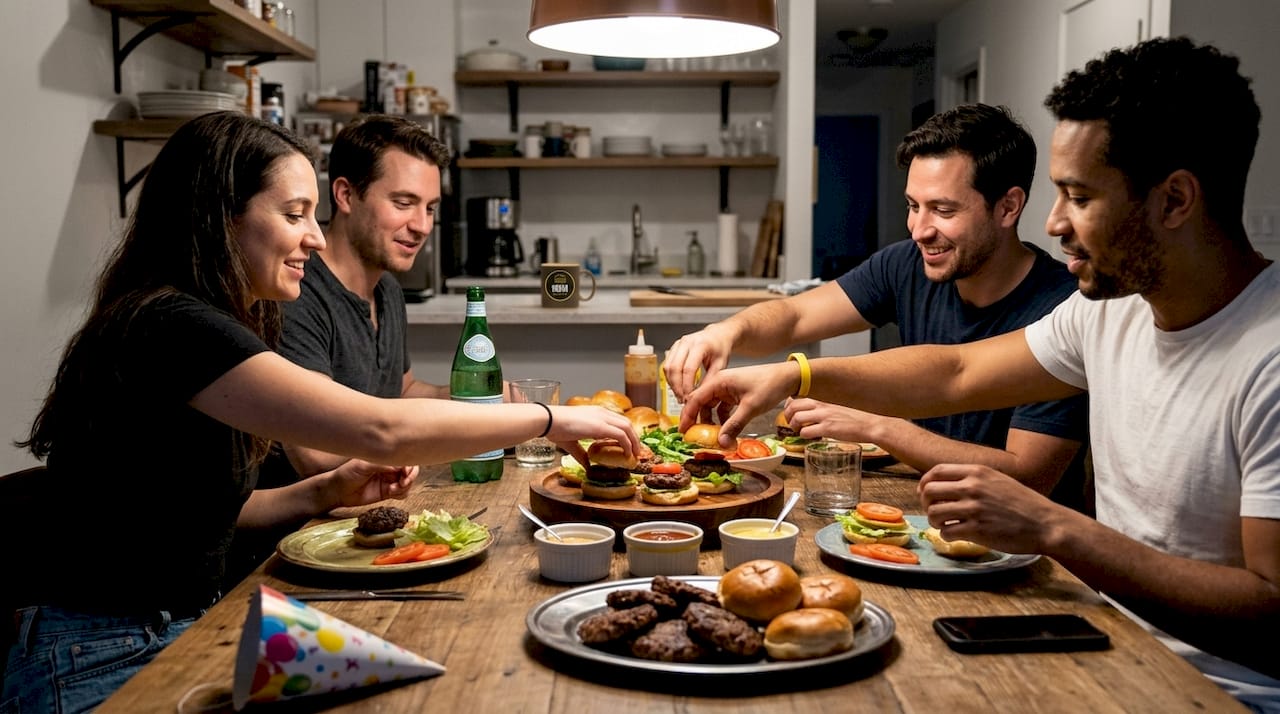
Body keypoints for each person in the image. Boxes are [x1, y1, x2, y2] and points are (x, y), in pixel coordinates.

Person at [680, 38, 1279, 709]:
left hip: (1224, 691)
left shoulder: (1269, 359)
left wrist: (1054, 528)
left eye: (1079, 197)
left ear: (1174, 200)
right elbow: (956, 371)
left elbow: (1272, 613)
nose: (1053, 223)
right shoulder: (1110, 314)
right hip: (1100, 634)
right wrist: (794, 376)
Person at [3, 111, 638, 713]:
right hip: (101, 652)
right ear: (221, 218)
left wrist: (324, 491)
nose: (313, 234)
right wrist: (551, 421)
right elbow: (380, 428)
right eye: (293, 214)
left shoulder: (205, 320)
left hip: (178, 625)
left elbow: (209, 510)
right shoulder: (172, 326)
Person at [665, 104, 1089, 508]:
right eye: (912, 206)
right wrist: (726, 331)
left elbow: (1029, 477)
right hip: (921, 511)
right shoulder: (907, 263)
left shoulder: (1063, 308)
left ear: (1008, 207)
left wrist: (876, 427)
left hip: (1021, 552)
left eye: (943, 210)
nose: (919, 230)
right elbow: (796, 315)